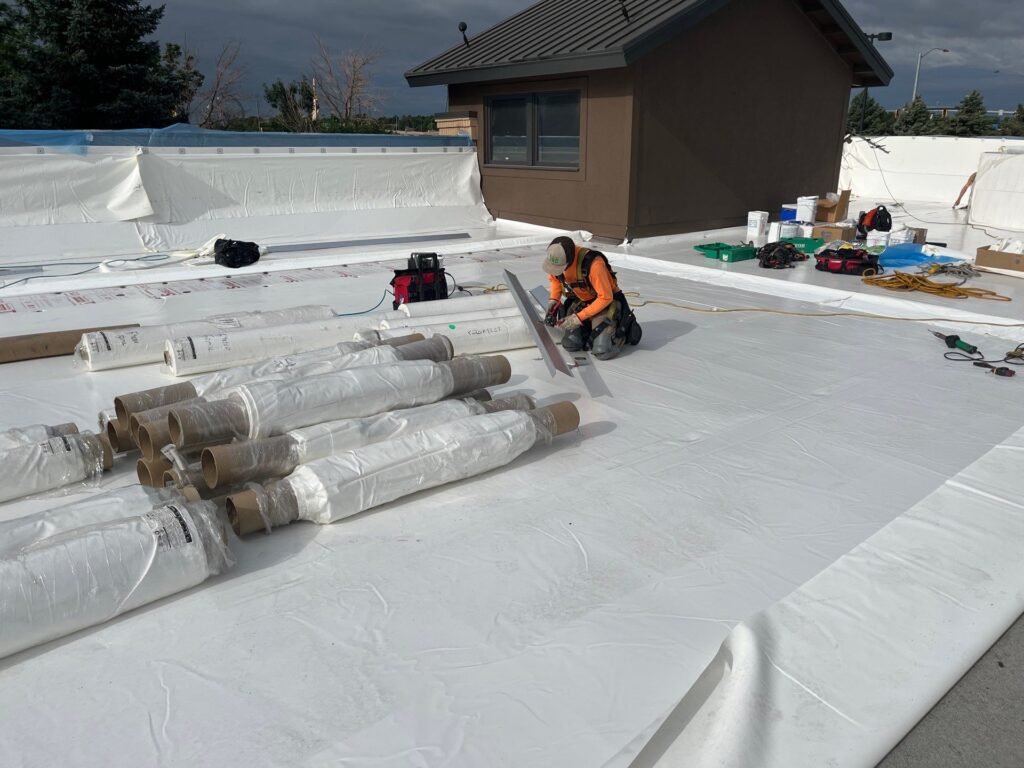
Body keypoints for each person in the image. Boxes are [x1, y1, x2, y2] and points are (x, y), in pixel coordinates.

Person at [542, 236, 641, 360]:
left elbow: (605, 298)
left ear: (570, 260)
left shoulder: (594, 265)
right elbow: (556, 280)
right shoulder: (556, 259)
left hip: (607, 303)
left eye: (560, 268)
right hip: (584, 301)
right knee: (571, 344)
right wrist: (553, 302)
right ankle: (589, 329)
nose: (556, 270)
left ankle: (620, 335)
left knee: (602, 351)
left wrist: (578, 318)